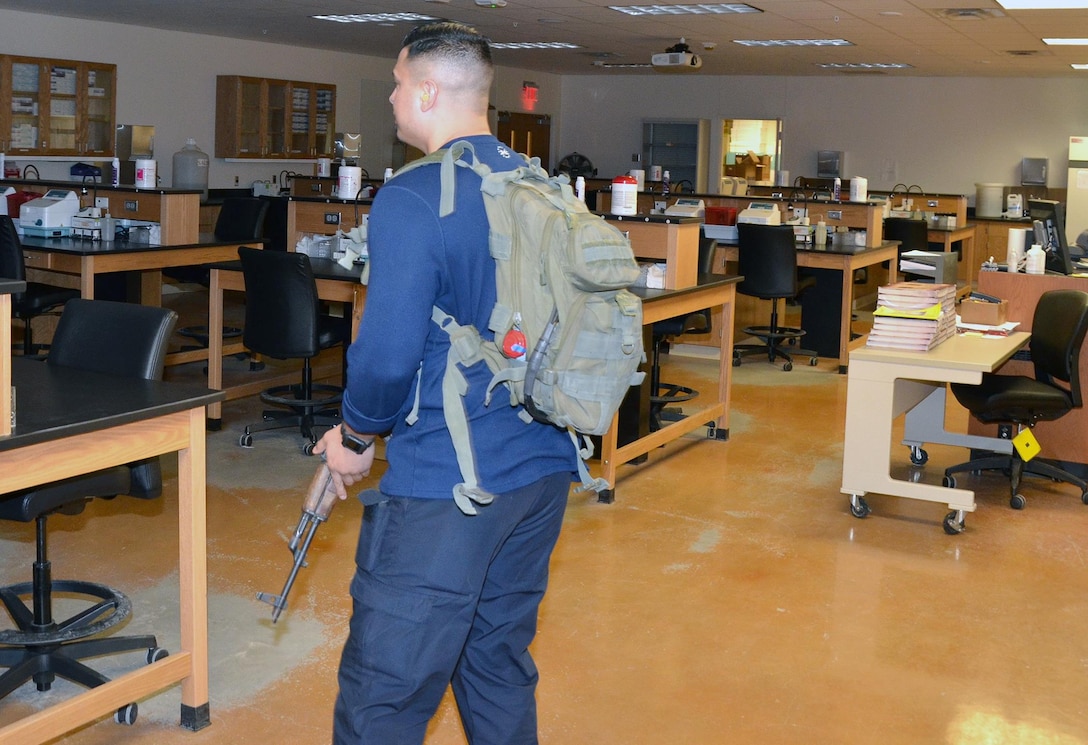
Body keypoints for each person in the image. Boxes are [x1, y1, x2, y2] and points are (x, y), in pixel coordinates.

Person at [313, 21, 577, 744]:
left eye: (399, 83)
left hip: (449, 488)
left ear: (427, 90)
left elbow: (387, 355)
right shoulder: (541, 186)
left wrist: (356, 434)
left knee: (386, 693)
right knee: (494, 665)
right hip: (542, 470)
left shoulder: (413, 196)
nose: (394, 96)